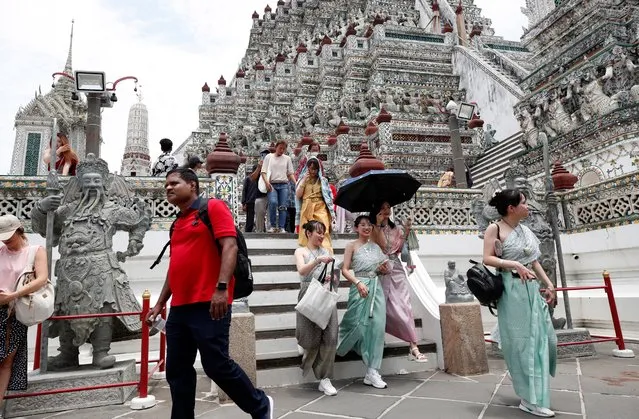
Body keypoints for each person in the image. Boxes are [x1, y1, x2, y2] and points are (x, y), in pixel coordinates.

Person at [146, 167, 274, 419]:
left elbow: (230, 246)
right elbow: (175, 267)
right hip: (180, 308)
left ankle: (260, 405)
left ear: (192, 185)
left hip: (210, 303)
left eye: (174, 183)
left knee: (216, 365)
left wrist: (222, 288)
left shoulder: (213, 208)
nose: (168, 188)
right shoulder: (177, 223)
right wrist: (160, 303)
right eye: (166, 185)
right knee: (177, 370)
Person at [482, 189, 557, 418]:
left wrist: (548, 283)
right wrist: (514, 265)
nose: (528, 206)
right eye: (524, 203)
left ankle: (535, 393)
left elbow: (533, 260)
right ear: (511, 208)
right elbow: (487, 258)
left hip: (532, 290)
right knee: (523, 344)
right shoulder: (495, 228)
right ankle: (530, 399)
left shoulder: (525, 230)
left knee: (543, 340)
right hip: (512, 291)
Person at [0, 215, 49, 405]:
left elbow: (42, 279)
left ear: (20, 231)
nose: (6, 241)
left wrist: (13, 295)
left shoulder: (35, 251)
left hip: (15, 312)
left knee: (6, 362)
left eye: (9, 237)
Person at [337, 215, 390, 389]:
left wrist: (382, 270)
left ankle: (372, 370)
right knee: (357, 324)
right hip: (358, 287)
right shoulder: (351, 246)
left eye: (369, 225)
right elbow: (345, 270)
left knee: (377, 327)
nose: (367, 228)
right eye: (363, 225)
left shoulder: (376, 247)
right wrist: (358, 283)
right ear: (356, 228)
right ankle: (337, 345)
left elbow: (385, 269)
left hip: (376, 289)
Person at [371, 202, 428, 363]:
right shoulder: (372, 228)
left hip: (396, 269)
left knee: (404, 306)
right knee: (379, 308)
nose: (386, 210)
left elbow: (399, 249)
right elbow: (381, 246)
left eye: (388, 207)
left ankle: (414, 346)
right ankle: (377, 338)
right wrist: (377, 224)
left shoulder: (396, 229)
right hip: (379, 269)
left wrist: (406, 230)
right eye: (383, 207)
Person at [294, 220, 338, 396]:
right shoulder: (301, 251)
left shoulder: (326, 251)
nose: (321, 236)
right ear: (308, 233)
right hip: (308, 293)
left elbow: (331, 273)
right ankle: (304, 347)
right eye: (318, 232)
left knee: (331, 336)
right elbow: (302, 271)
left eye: (323, 232)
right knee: (309, 339)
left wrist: (331, 277)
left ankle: (325, 378)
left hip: (325, 294)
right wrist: (317, 261)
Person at [295, 157, 335, 250]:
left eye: (315, 169)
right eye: (311, 168)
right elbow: (298, 195)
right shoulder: (303, 179)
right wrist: (304, 179)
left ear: (318, 169)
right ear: (307, 168)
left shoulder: (323, 181)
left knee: (323, 229)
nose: (313, 171)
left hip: (320, 207)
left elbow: (329, 197)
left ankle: (326, 251)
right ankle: (308, 253)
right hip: (307, 207)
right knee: (307, 232)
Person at [261, 140, 296, 233]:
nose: (282, 150)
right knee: (272, 202)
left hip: (284, 184)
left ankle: (281, 227)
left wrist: (296, 183)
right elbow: (263, 172)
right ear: (276, 147)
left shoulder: (287, 159)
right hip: (272, 184)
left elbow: (290, 173)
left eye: (284, 149)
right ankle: (272, 225)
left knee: (283, 206)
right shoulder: (269, 157)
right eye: (280, 148)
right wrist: (266, 182)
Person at [242, 164, 260, 233]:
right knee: (250, 218)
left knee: (260, 216)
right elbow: (244, 191)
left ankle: (260, 230)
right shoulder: (248, 178)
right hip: (250, 201)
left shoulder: (260, 179)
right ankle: (248, 232)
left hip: (257, 200)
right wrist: (244, 203)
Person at [255, 151, 269, 233]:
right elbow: (252, 178)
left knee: (271, 215)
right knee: (259, 215)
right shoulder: (257, 166)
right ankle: (259, 231)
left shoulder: (272, 166)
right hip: (260, 195)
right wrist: (258, 168)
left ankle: (270, 230)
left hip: (271, 194)